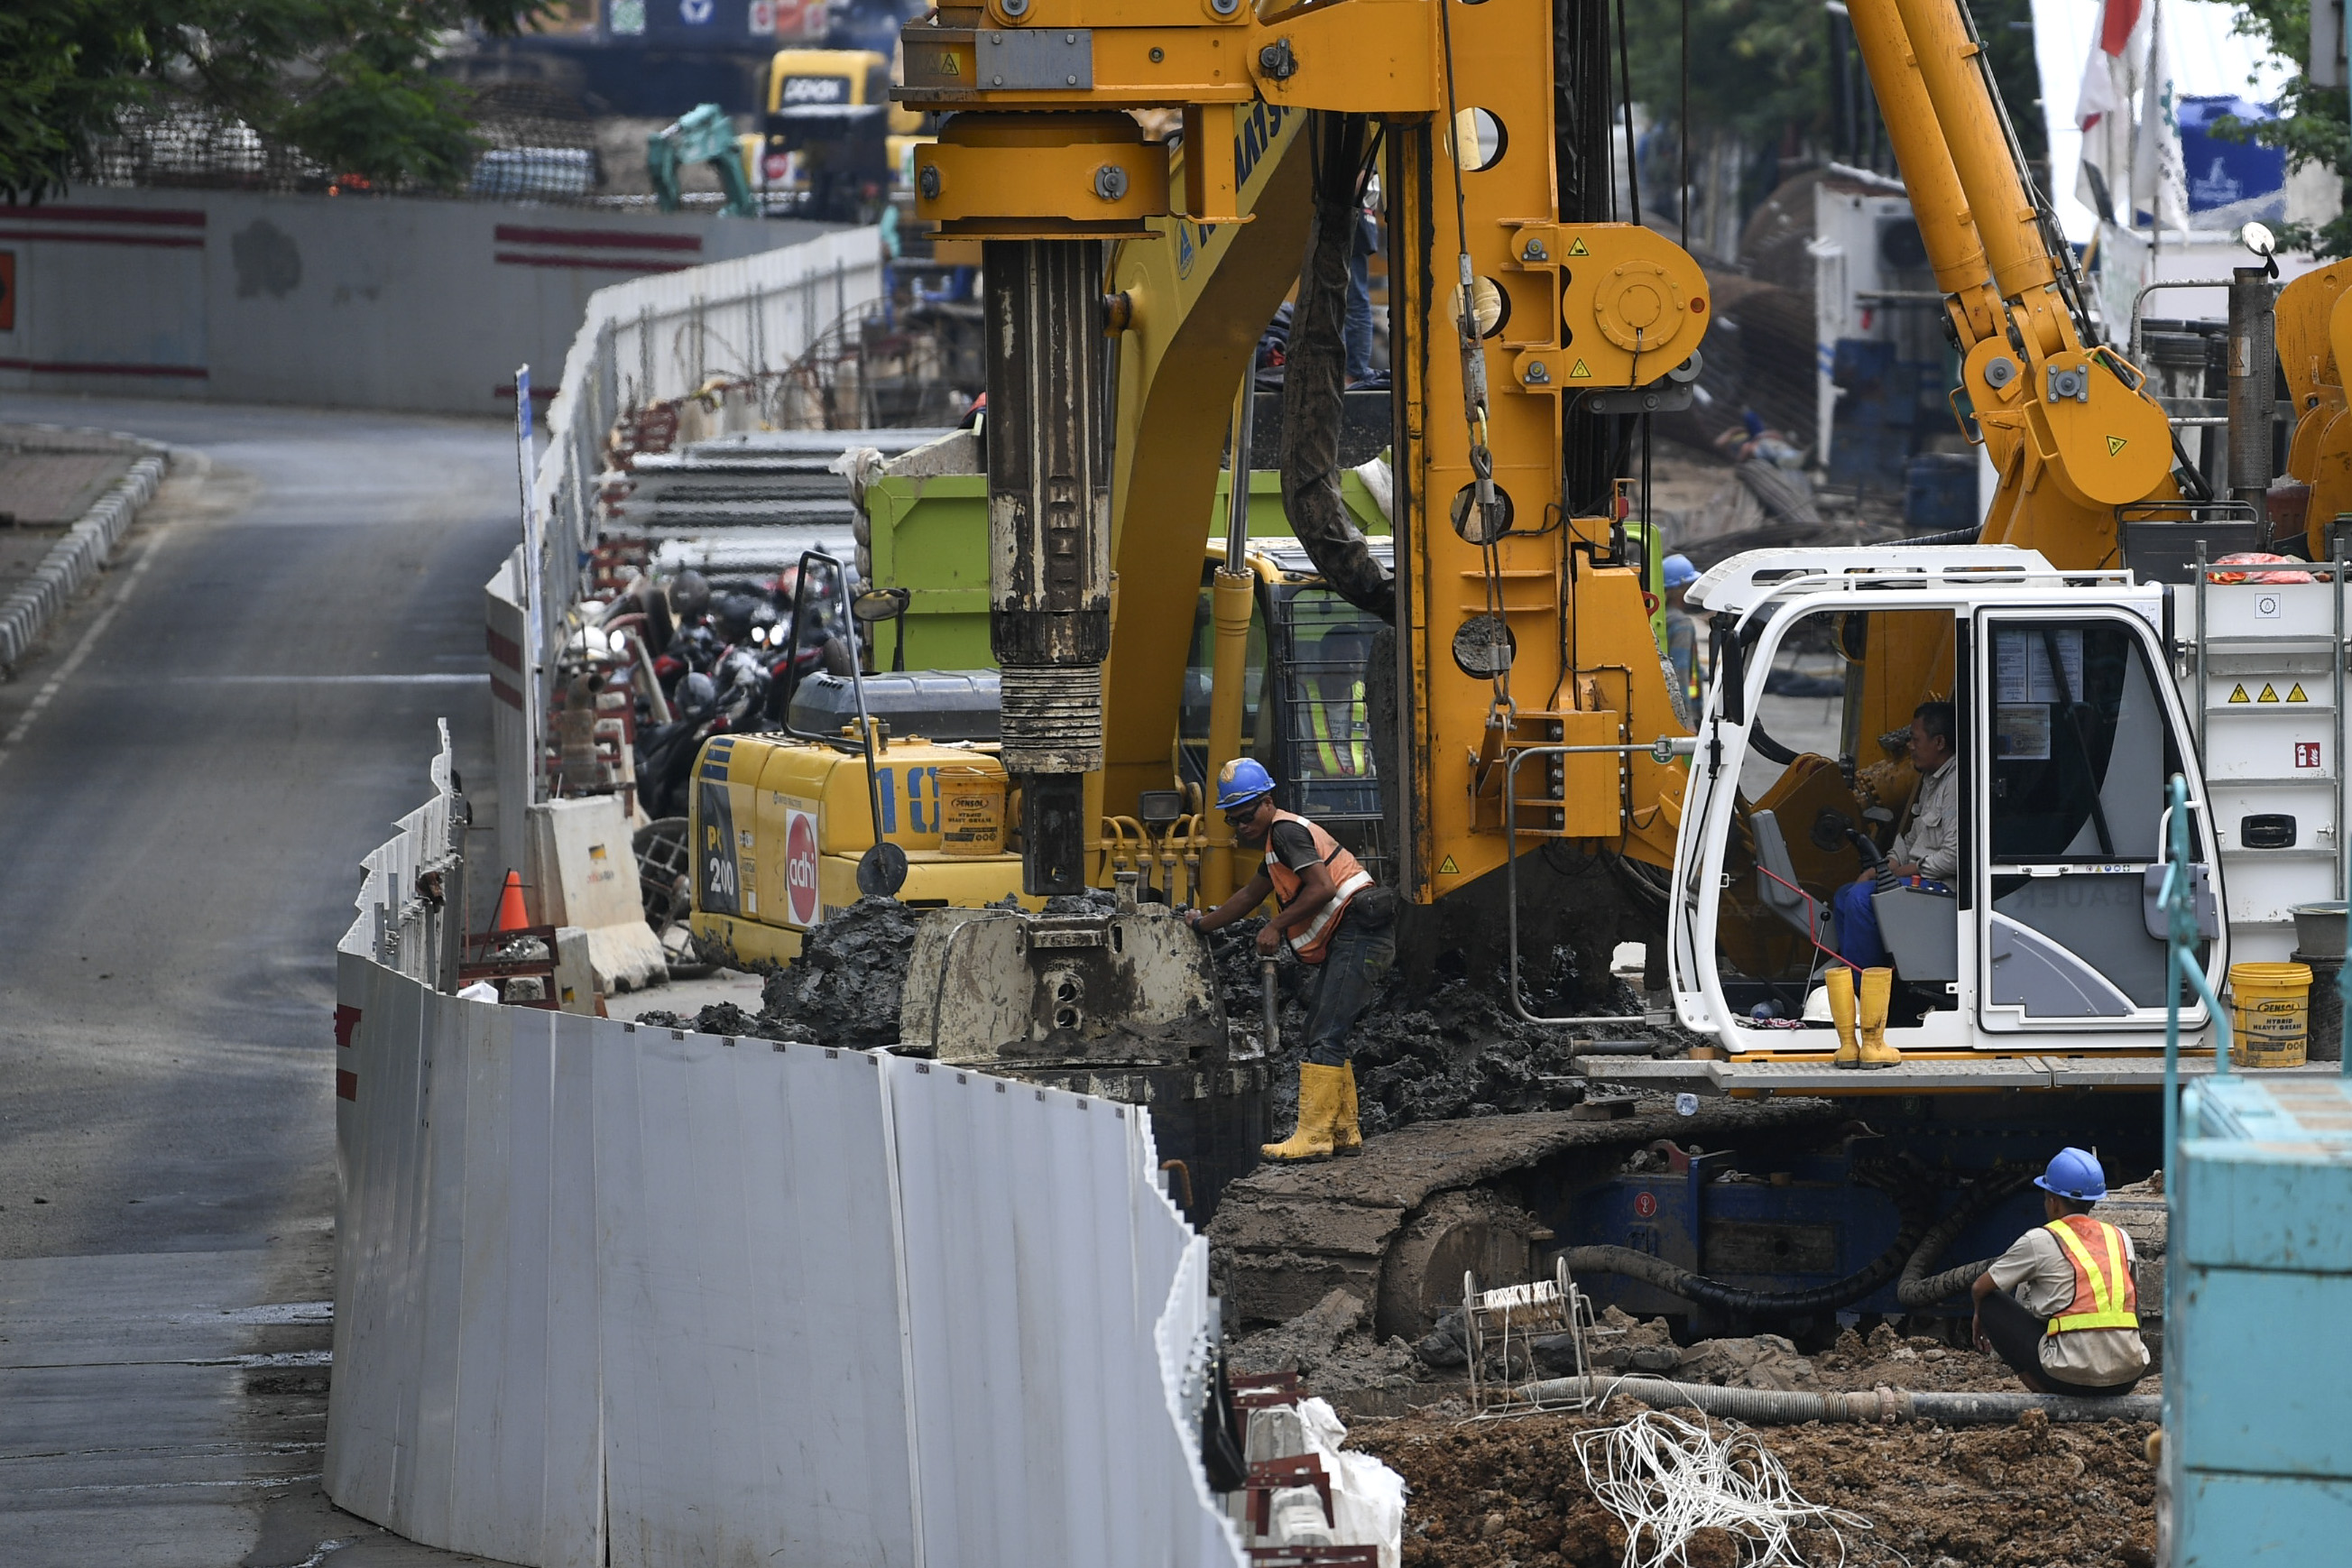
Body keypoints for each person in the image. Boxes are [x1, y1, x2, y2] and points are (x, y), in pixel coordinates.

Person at [1187, 757, 1394, 1161]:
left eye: (1246, 815)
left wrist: (1275, 926)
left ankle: (1315, 1139)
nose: (1241, 826)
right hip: (1356, 936)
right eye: (1233, 820)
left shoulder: (1284, 833)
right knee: (1323, 1026)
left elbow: (1321, 887)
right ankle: (1343, 1131)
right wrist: (1203, 924)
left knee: (1324, 1031)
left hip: (1360, 934)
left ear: (1267, 802)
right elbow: (1248, 897)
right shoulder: (1274, 846)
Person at [1971, 1148, 2150, 1396]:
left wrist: (1980, 1314)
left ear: (2053, 1201)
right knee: (2125, 1294)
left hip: (2065, 1379)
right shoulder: (2120, 1238)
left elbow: (1980, 1287)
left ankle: (2040, 1387)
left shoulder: (2041, 1239)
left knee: (1989, 1302)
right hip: (2126, 1379)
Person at [1831, 700, 1959, 971]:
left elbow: (1953, 857)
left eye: (1915, 739)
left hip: (1946, 887)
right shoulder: (1931, 779)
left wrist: (1902, 871)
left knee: (1861, 899)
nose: (1910, 746)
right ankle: (1864, 971)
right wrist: (1884, 867)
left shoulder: (1956, 783)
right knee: (1844, 895)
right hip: (1914, 874)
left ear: (1938, 742)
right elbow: (1913, 838)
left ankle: (1866, 989)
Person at [1661, 554, 1702, 716]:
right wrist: (1688, 719)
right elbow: (1680, 672)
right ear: (1680, 589)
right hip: (1685, 712)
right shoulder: (1681, 624)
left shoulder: (1661, 618)